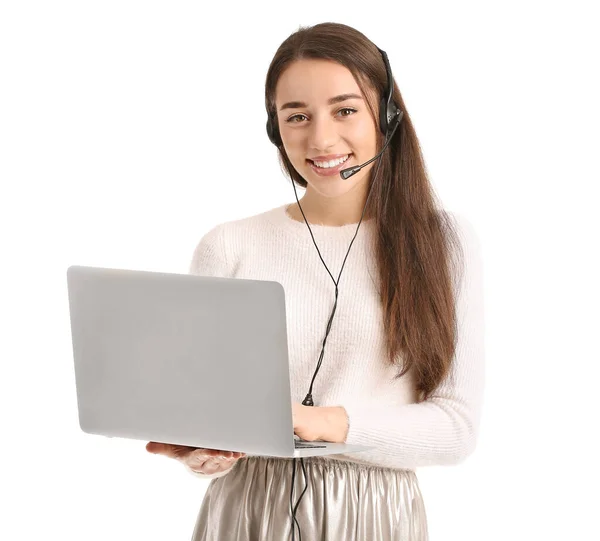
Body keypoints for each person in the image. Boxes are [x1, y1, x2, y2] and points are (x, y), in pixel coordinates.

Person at [146, 21, 485, 541]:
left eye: (345, 109)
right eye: (297, 116)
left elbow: (455, 430)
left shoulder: (441, 242)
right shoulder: (228, 245)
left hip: (375, 514)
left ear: (387, 116)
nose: (321, 138)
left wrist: (319, 422)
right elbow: (215, 419)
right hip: (249, 511)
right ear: (273, 128)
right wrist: (205, 452)